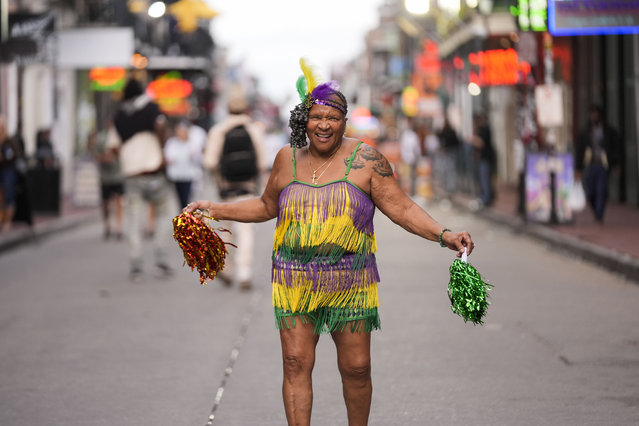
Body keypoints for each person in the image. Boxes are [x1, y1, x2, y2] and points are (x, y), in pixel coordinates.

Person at [186, 63, 475, 425]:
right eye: (317, 117)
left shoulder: (366, 159)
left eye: (333, 118)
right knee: (295, 364)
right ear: (304, 120)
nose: (324, 124)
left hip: (351, 281)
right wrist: (213, 209)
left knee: (356, 368)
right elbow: (265, 206)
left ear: (344, 121)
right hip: (294, 278)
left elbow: (401, 207)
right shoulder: (286, 160)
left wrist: (444, 234)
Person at [202, 86, 267, 291]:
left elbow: (210, 162)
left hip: (225, 189)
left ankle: (226, 269)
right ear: (246, 109)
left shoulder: (218, 131)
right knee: (246, 231)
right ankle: (244, 272)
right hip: (247, 189)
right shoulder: (254, 129)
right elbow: (262, 163)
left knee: (224, 230)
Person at [109, 78, 173, 281]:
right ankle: (160, 262)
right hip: (153, 172)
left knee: (134, 220)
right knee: (164, 215)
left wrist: (128, 155)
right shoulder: (151, 109)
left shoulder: (118, 116)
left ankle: (136, 267)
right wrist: (161, 148)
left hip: (132, 175)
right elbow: (161, 125)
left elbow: (112, 147)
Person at [574, 104, 622, 224]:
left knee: (601, 190)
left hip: (603, 165)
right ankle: (596, 212)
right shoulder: (586, 131)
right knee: (590, 192)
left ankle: (599, 216)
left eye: (596, 113)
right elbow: (580, 149)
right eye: (592, 113)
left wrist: (616, 163)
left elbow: (615, 147)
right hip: (590, 165)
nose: (594, 116)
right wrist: (578, 168)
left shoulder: (608, 131)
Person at [88, 123, 124, 240]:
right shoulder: (100, 138)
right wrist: (104, 158)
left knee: (119, 201)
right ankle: (107, 225)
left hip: (118, 175)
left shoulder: (120, 136)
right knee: (106, 203)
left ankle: (119, 227)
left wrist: (116, 153)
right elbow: (95, 154)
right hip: (106, 176)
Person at [164, 119, 201, 209]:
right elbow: (168, 157)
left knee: (187, 197)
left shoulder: (192, 143)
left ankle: (187, 215)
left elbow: (197, 158)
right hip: (176, 175)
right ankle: (184, 214)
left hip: (189, 175)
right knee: (180, 197)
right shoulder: (172, 143)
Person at [470, 112, 496, 207]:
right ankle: (484, 196)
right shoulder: (479, 130)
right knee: (482, 179)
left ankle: (487, 198)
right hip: (481, 159)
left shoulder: (485, 129)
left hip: (486, 158)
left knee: (486, 179)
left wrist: (473, 139)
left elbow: (481, 143)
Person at [0, 116, 20, 232]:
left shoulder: (9, 140)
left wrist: (5, 157)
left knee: (9, 194)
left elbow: (14, 154)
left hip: (8, 170)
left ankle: (7, 222)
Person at [437, 115, 460, 195]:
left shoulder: (447, 131)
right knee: (449, 170)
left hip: (449, 152)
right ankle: (449, 186)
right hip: (449, 152)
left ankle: (449, 186)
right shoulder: (449, 131)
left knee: (448, 170)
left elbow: (456, 142)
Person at [399, 117, 421, 197]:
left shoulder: (406, 135)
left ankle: (408, 192)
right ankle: (410, 192)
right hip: (410, 157)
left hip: (407, 157)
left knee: (407, 177)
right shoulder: (412, 135)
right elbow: (416, 147)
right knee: (410, 177)